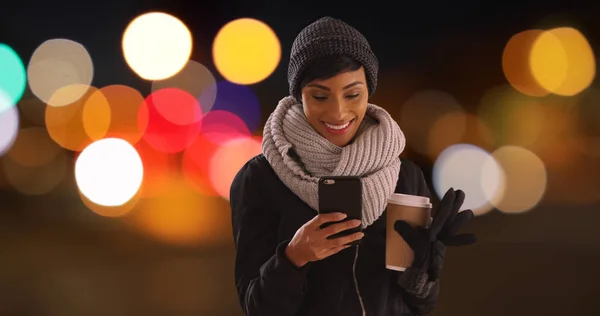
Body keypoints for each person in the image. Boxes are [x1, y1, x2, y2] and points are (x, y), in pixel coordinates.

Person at [229, 16, 476, 316]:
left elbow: (418, 305)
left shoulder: (402, 176)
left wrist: (423, 276)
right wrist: (294, 257)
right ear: (298, 96)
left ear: (368, 92)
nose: (338, 112)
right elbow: (257, 307)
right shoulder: (260, 180)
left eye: (352, 94)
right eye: (319, 96)